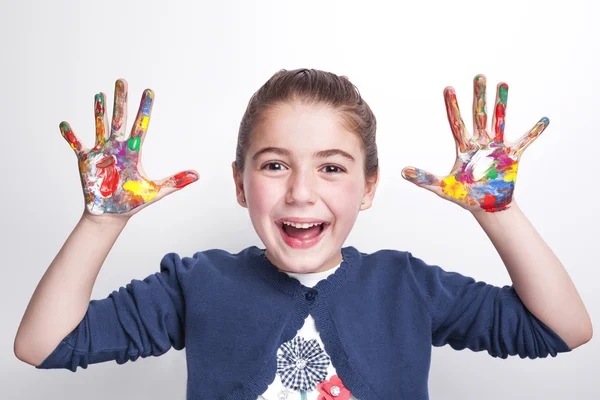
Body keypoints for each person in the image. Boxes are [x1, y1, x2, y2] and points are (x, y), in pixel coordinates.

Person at [14, 69, 592, 400]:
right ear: (240, 184)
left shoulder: (407, 285)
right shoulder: (195, 284)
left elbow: (562, 330)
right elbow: (42, 346)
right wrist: (102, 219)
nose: (300, 192)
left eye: (332, 167)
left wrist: (499, 212)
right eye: (274, 165)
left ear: (368, 188)